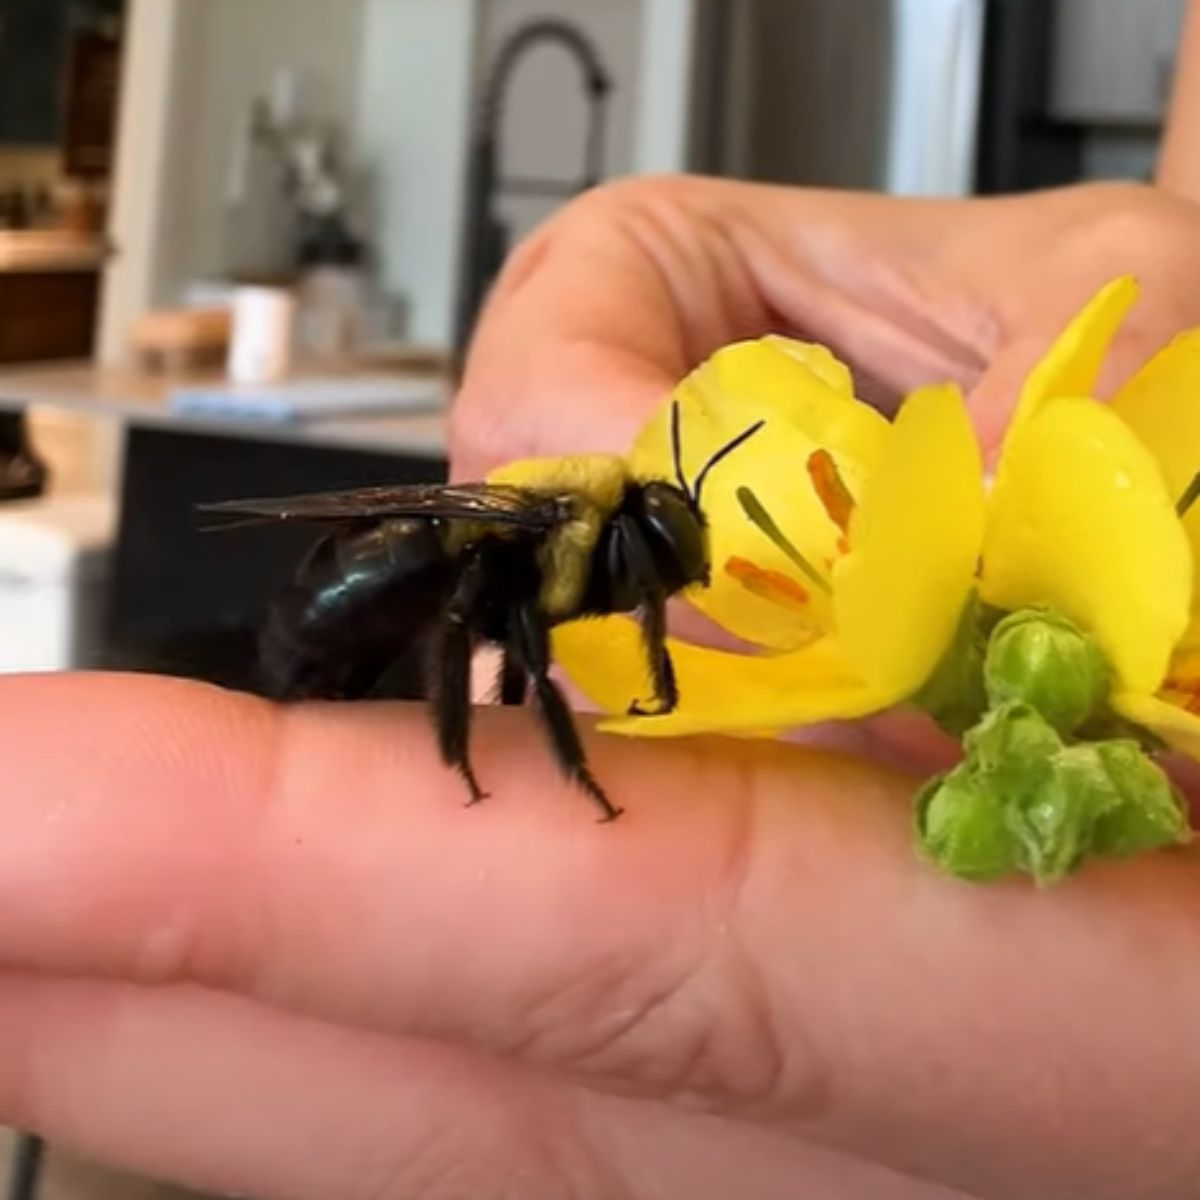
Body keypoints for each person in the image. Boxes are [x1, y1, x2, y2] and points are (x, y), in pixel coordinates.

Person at [10, 23, 1200, 1200]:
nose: (699, 580)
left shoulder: (605, 544)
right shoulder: (559, 532)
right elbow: (506, 607)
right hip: (364, 599)